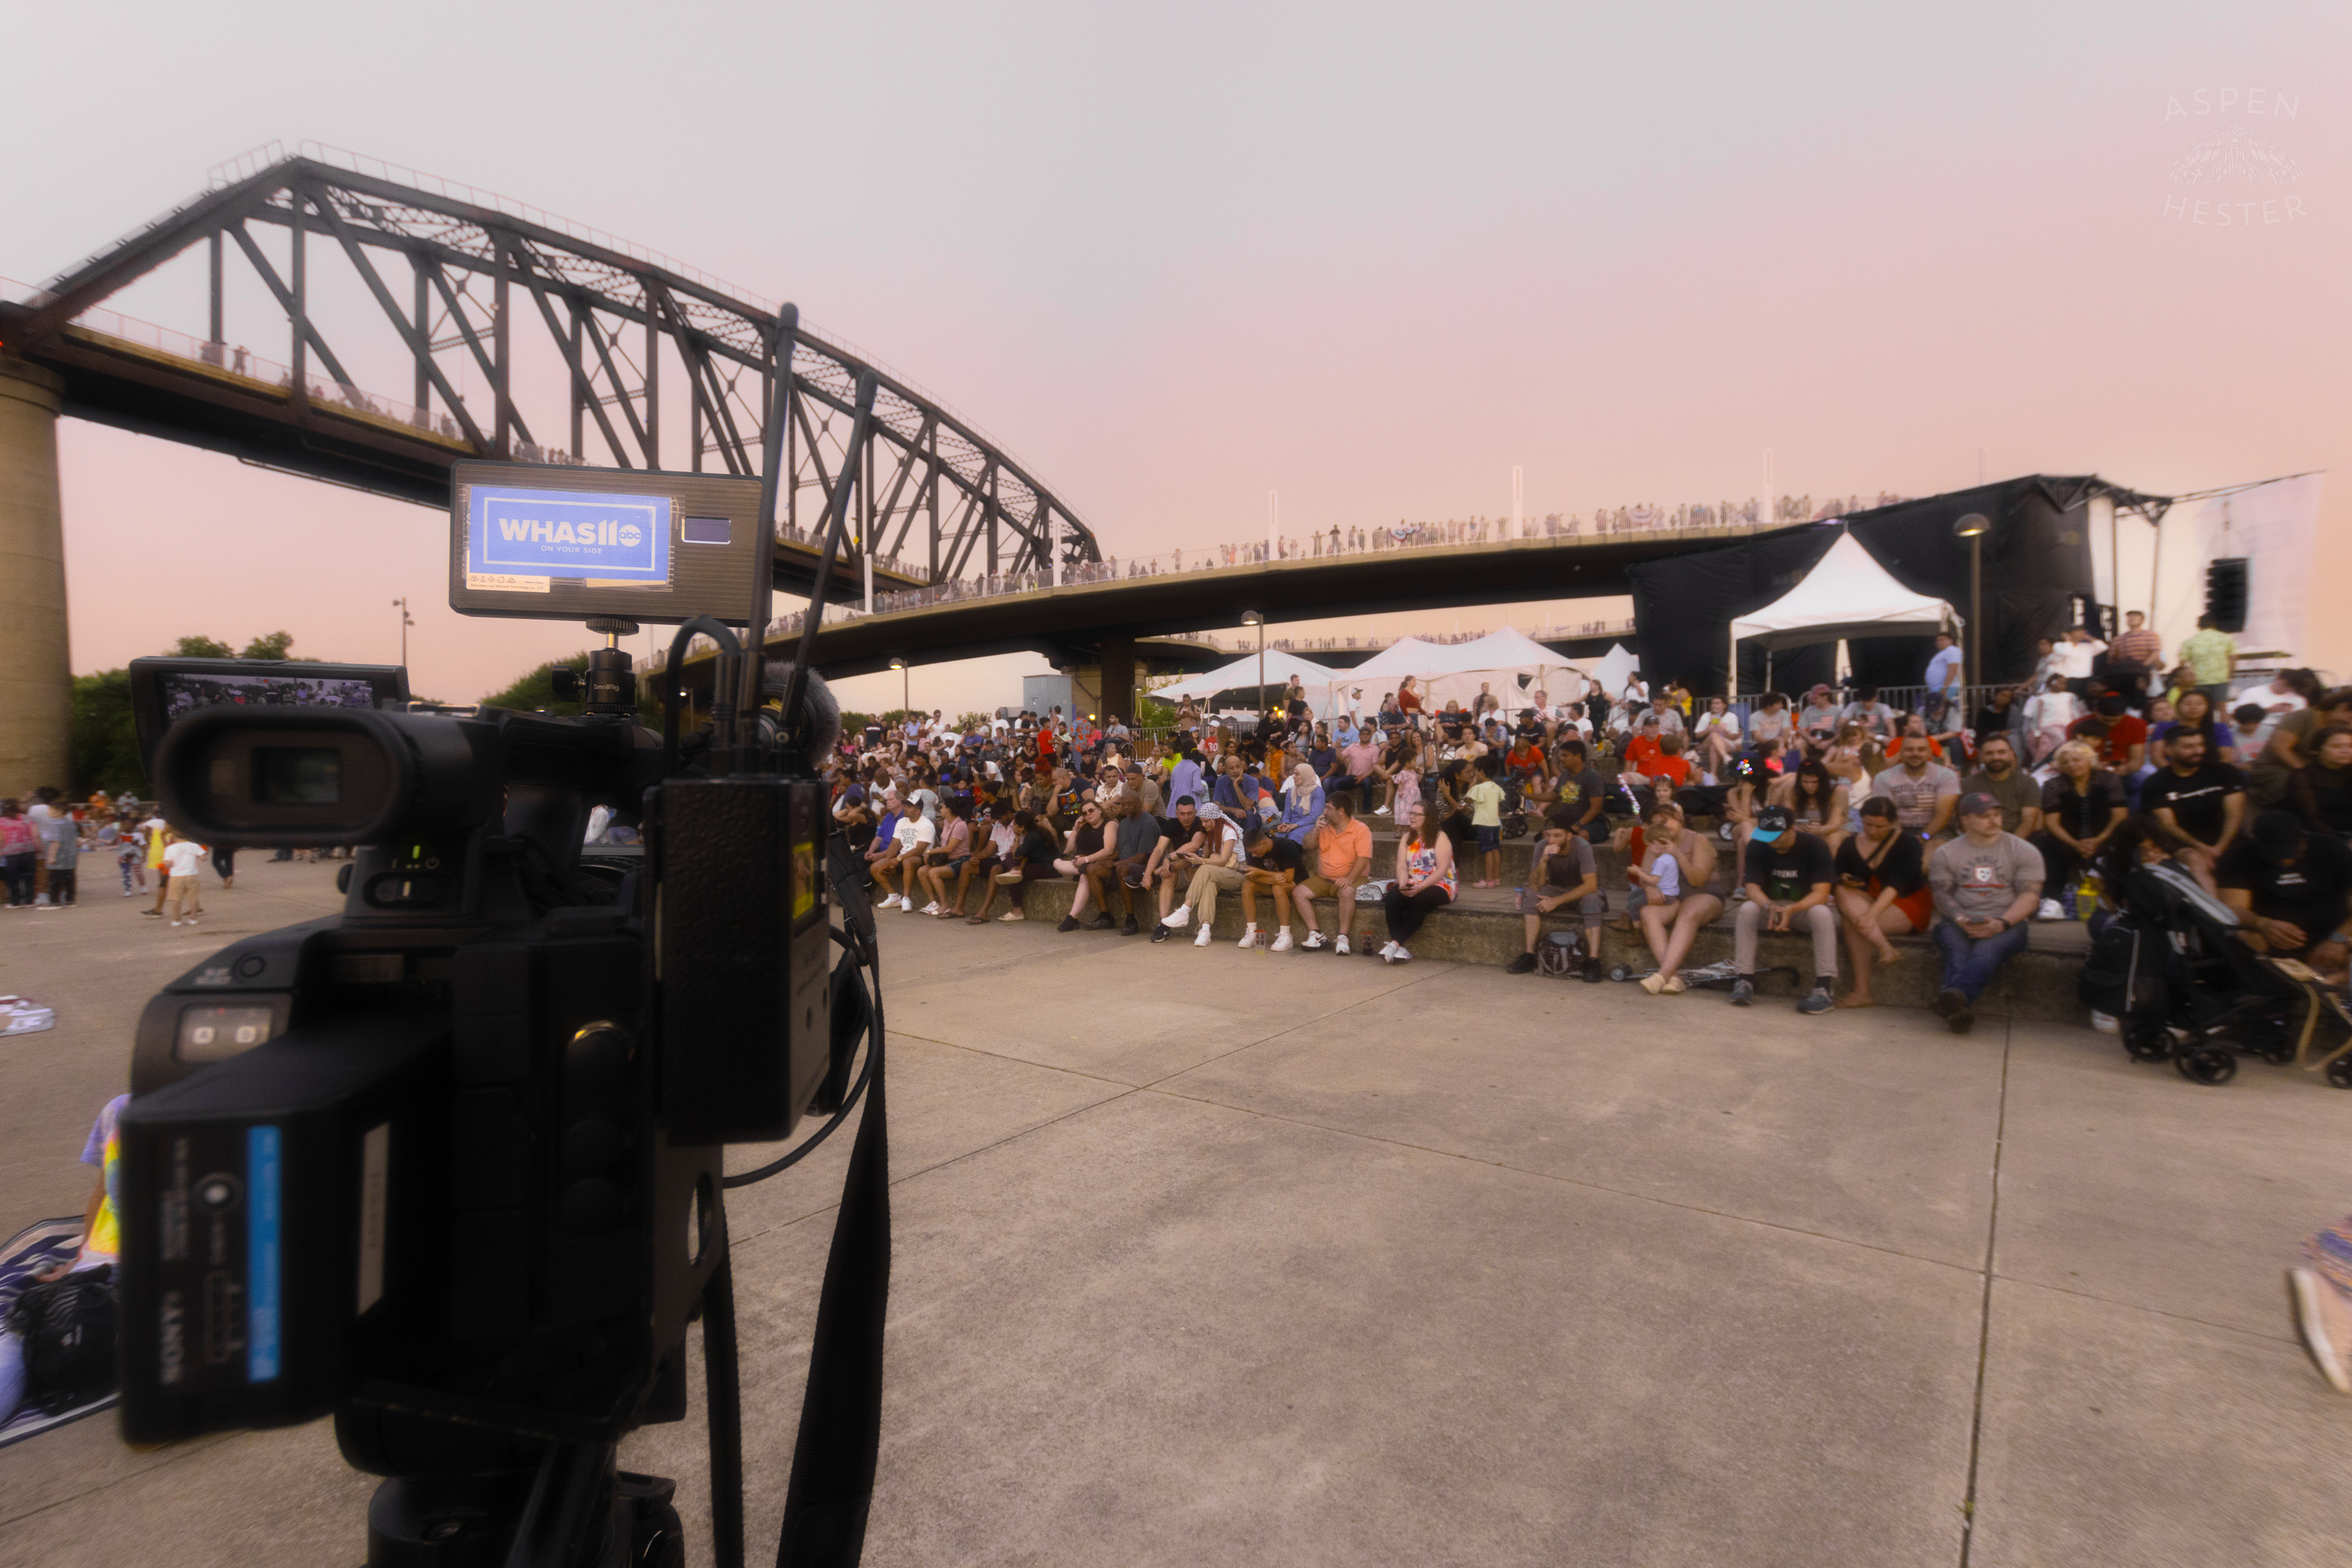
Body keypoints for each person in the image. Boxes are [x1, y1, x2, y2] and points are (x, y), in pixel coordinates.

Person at [1926, 792, 2047, 1034]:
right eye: (1984, 816)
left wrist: (2002, 923)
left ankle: (1951, 999)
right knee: (1957, 952)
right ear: (1965, 820)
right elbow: (1941, 894)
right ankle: (1957, 1011)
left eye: (1996, 815)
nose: (1994, 821)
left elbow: (2030, 896)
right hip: (1956, 920)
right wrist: (1961, 919)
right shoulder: (1946, 853)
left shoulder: (2024, 850)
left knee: (1986, 951)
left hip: (2008, 920)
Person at [2217, 811, 2352, 981]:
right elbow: (2232, 909)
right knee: (2243, 939)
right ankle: (2262, 986)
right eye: (2275, 856)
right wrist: (2262, 924)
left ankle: (2336, 981)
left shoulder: (2331, 849)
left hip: (2332, 934)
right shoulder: (2240, 856)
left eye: (2291, 853)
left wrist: (2338, 939)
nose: (2284, 861)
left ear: (2303, 839)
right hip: (2273, 935)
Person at [1730, 806, 1838, 1013]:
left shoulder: (1815, 846)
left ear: (1792, 829)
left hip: (1802, 907)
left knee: (1822, 914)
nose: (1771, 840)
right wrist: (1769, 906)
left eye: (1776, 835)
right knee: (1747, 911)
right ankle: (1744, 979)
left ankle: (1824, 988)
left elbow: (1822, 893)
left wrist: (1792, 910)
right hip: (1770, 905)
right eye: (1767, 834)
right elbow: (1752, 887)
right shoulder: (1757, 845)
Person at [1833, 797, 1934, 1009]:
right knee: (1842, 891)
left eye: (1880, 826)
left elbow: (1897, 885)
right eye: (1868, 825)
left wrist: (1870, 916)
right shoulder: (1851, 843)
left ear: (1893, 823)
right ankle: (1884, 947)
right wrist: (1843, 878)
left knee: (1852, 923)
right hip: (1870, 896)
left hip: (1907, 902)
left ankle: (1862, 991)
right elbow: (1835, 874)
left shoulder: (1909, 844)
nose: (1873, 831)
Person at [1632, 802, 1724, 993]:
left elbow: (1698, 880)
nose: (1663, 829)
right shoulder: (1656, 843)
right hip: (1674, 897)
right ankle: (1675, 978)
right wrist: (1649, 888)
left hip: (1704, 894)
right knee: (1648, 913)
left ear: (1678, 819)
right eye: (1657, 825)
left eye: (1666, 822)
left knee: (1689, 913)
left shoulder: (1699, 840)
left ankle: (1663, 975)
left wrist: (1677, 853)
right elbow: (1646, 877)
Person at [2030, 740, 2127, 918]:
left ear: (2089, 760)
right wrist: (2076, 844)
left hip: (2105, 837)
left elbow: (2119, 816)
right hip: (2068, 840)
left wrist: (2098, 840)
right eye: (2066, 762)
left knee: (2125, 841)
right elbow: (2052, 822)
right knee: (2043, 843)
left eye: (2077, 760)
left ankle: (2120, 902)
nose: (2072, 765)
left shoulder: (2110, 780)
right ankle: (2053, 900)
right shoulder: (2053, 785)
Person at [1506, 812, 1605, 978]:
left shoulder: (1583, 847)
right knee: (1531, 898)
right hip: (1556, 887)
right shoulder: (1542, 847)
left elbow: (1591, 885)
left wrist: (1556, 901)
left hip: (1580, 890)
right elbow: (1535, 885)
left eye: (1557, 836)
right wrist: (1543, 861)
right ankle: (1529, 955)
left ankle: (1593, 960)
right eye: (1549, 835)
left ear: (1569, 836)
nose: (1552, 840)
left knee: (1592, 901)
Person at [2142, 724, 2247, 872]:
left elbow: (2234, 815)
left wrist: (2219, 848)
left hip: (2230, 840)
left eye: (2200, 745)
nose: (2198, 751)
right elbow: (2168, 824)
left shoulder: (2224, 772)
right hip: (2185, 845)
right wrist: (2201, 847)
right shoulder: (2156, 783)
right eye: (2188, 747)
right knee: (2194, 860)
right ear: (2169, 750)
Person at [1291, 795, 1374, 954]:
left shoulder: (1361, 829)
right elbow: (1307, 845)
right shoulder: (1324, 827)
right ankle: (1316, 934)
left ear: (1341, 811)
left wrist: (1349, 878)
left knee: (1347, 891)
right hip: (1324, 878)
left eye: (1329, 808)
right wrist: (1315, 829)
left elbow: (1363, 859)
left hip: (1354, 877)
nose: (1325, 811)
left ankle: (1343, 937)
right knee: (1299, 892)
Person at [1378, 799, 1457, 963]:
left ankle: (1395, 943)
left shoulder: (1440, 837)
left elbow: (1443, 869)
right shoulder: (1407, 838)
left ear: (1428, 818)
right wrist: (1402, 885)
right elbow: (1401, 866)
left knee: (1421, 899)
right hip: (1414, 881)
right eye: (1411, 813)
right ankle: (1399, 949)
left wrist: (1421, 887)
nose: (1412, 817)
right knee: (1393, 897)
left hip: (1441, 883)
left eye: (1416, 814)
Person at [1158, 803, 1241, 946]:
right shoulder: (1212, 833)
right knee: (1209, 885)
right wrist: (1193, 857)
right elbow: (1206, 855)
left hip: (1238, 874)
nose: (1204, 824)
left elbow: (1223, 861)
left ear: (1216, 819)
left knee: (1205, 869)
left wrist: (1201, 861)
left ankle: (1185, 910)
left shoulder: (1229, 832)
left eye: (1207, 821)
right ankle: (1205, 930)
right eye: (1202, 821)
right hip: (1220, 874)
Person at [1866, 734, 1961, 841]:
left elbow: (1943, 816)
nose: (1915, 754)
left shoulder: (1946, 776)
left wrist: (1923, 837)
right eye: (1909, 750)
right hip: (1897, 829)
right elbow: (1888, 815)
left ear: (1930, 752)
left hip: (1937, 831)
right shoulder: (1884, 778)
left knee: (1934, 848)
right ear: (1901, 753)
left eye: (1921, 750)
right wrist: (1902, 839)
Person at [1235, 819, 1304, 951]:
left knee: (1279, 888)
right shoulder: (1253, 850)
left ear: (1264, 842)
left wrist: (1260, 873)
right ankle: (1251, 932)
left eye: (1255, 852)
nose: (1254, 855)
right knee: (1248, 886)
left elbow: (1289, 878)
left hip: (1295, 882)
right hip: (1273, 882)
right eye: (1251, 853)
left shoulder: (1285, 845)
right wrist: (1272, 878)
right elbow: (1251, 875)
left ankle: (1285, 935)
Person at [1051, 799, 1118, 932]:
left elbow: (1109, 850)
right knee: (1057, 863)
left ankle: (1072, 918)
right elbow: (1068, 849)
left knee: (1085, 874)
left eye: (1091, 810)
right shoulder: (1084, 826)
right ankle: (1082, 869)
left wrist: (1086, 860)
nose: (1089, 814)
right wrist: (1076, 827)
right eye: (1085, 813)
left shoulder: (1110, 824)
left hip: (1100, 862)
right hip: (1083, 862)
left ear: (1099, 810)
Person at [1959, 734, 2041, 839]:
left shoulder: (2028, 783)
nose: (1996, 757)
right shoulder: (1968, 784)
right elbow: (1966, 822)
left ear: (2011, 755)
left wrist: (2008, 849)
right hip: (1981, 838)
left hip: (2017, 839)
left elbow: (2028, 822)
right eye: (1990, 753)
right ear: (1981, 757)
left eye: (2001, 752)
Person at [2290, 725, 2352, 840]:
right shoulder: (2304, 776)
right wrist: (2339, 843)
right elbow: (2311, 819)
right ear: (2319, 750)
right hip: (2325, 837)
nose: (2346, 751)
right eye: (2336, 746)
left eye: (2350, 746)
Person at [2177, 613, 2237, 711]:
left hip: (2198, 680)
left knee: (2201, 708)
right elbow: (2233, 659)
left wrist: (2184, 681)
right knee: (2222, 708)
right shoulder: (2226, 638)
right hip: (2221, 679)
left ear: (2198, 626)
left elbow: (2182, 663)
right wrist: (2230, 675)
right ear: (2214, 625)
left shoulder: (2190, 641)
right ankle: (2224, 726)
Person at [1464, 756, 1506, 888]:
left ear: (1481, 771)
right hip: (1495, 823)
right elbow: (1498, 807)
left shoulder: (1479, 788)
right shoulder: (1496, 787)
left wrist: (1473, 783)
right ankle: (1496, 878)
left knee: (1487, 850)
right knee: (1495, 850)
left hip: (1484, 824)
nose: (1474, 774)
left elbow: (1468, 800)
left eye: (1475, 771)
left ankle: (1489, 880)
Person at [2106, 609, 2163, 701]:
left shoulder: (2151, 635)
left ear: (2142, 621)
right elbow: (2111, 658)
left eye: (2135, 617)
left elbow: (2155, 653)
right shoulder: (2118, 639)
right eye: (2130, 617)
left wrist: (2141, 667)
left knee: (2148, 697)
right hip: (2124, 672)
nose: (2132, 619)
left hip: (2144, 671)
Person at [160, 829, 208, 925]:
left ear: (174, 838)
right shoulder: (194, 846)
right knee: (193, 898)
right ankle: (193, 918)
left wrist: (166, 865)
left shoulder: (170, 848)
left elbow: (168, 864)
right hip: (191, 874)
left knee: (176, 898)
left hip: (176, 876)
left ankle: (177, 919)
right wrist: (200, 857)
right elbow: (203, 857)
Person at [1923, 631, 1964, 725]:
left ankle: (1943, 728)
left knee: (1940, 710)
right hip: (1938, 687)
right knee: (1936, 710)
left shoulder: (1952, 650)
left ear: (1950, 641)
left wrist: (1945, 687)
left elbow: (1953, 669)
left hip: (1944, 687)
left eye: (1942, 640)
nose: (1939, 642)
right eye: (1937, 640)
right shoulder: (1943, 653)